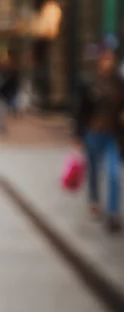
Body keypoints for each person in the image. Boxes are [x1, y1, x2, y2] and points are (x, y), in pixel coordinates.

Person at [74, 49, 123, 233]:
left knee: (113, 173)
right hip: (92, 133)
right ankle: (94, 201)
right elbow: (81, 111)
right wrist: (78, 136)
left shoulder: (119, 84)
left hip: (112, 135)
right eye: (105, 59)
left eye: (111, 58)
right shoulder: (89, 83)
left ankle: (112, 214)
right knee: (94, 171)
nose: (108, 62)